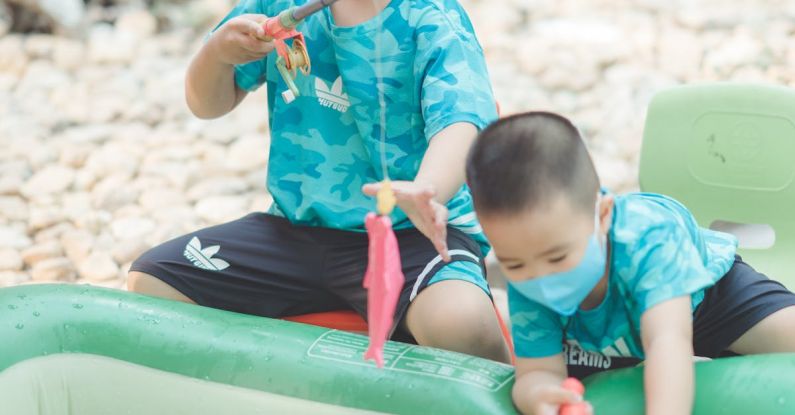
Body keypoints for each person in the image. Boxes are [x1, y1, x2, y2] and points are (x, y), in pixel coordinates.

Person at [127, 0, 511, 364]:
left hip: (410, 234)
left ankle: (508, 383)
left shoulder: (431, 18)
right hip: (295, 230)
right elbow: (207, 104)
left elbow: (463, 123)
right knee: (153, 281)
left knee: (462, 322)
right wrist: (216, 55)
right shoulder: (279, 7)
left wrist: (427, 188)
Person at [465, 111, 795, 414]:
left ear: (604, 215)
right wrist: (542, 395)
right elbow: (537, 372)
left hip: (704, 299)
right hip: (596, 340)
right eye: (514, 264)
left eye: (558, 257)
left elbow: (668, 340)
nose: (542, 279)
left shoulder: (650, 239)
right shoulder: (530, 282)